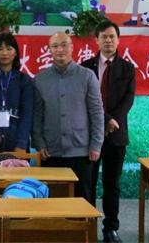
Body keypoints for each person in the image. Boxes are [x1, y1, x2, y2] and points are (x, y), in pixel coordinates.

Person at [32, 32, 104, 202]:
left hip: (81, 151)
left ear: (72, 47)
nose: (60, 50)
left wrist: (96, 144)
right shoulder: (40, 79)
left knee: (83, 200)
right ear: (49, 50)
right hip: (51, 151)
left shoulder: (87, 76)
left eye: (64, 45)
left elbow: (96, 112)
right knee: (53, 201)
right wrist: (39, 143)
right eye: (55, 46)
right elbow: (37, 116)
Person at [81, 21, 136, 243]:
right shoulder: (85, 67)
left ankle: (111, 228)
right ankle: (86, 227)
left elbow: (128, 100)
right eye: (104, 36)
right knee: (88, 182)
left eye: (112, 36)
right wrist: (105, 120)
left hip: (116, 135)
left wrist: (113, 121)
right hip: (90, 135)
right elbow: (85, 99)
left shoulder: (127, 68)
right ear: (96, 40)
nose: (108, 40)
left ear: (118, 39)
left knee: (112, 184)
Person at [0, 33, 34, 152]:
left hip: (16, 140)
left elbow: (27, 114)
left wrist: (21, 143)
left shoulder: (24, 80)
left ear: (16, 52)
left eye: (9, 49)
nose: (4, 53)